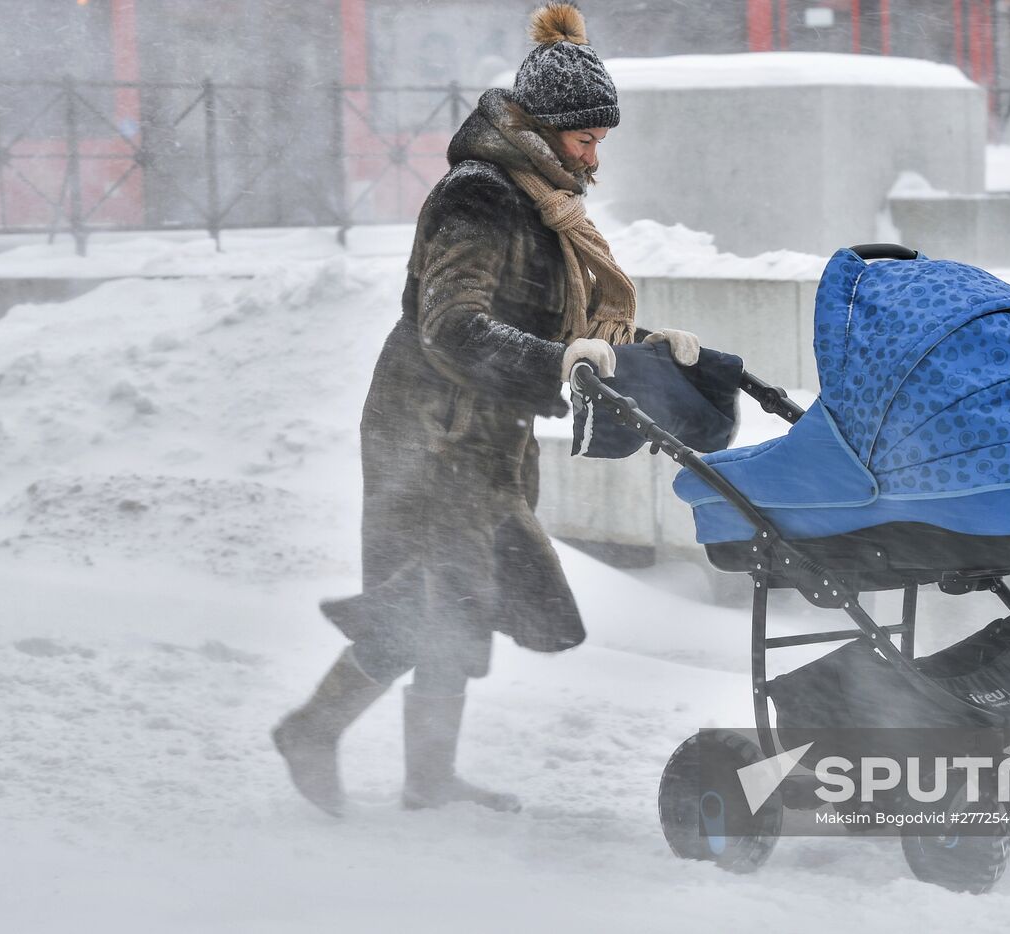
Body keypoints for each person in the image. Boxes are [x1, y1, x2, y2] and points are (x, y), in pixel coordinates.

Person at [272, 2, 699, 816]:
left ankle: (428, 777)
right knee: (425, 598)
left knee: (465, 598)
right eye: (587, 135)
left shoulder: (539, 200)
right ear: (541, 127)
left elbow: (554, 324)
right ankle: (312, 731)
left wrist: (644, 347)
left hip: (482, 433)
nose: (595, 151)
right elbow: (453, 324)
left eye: (601, 138)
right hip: (431, 428)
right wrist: (559, 360)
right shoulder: (481, 196)